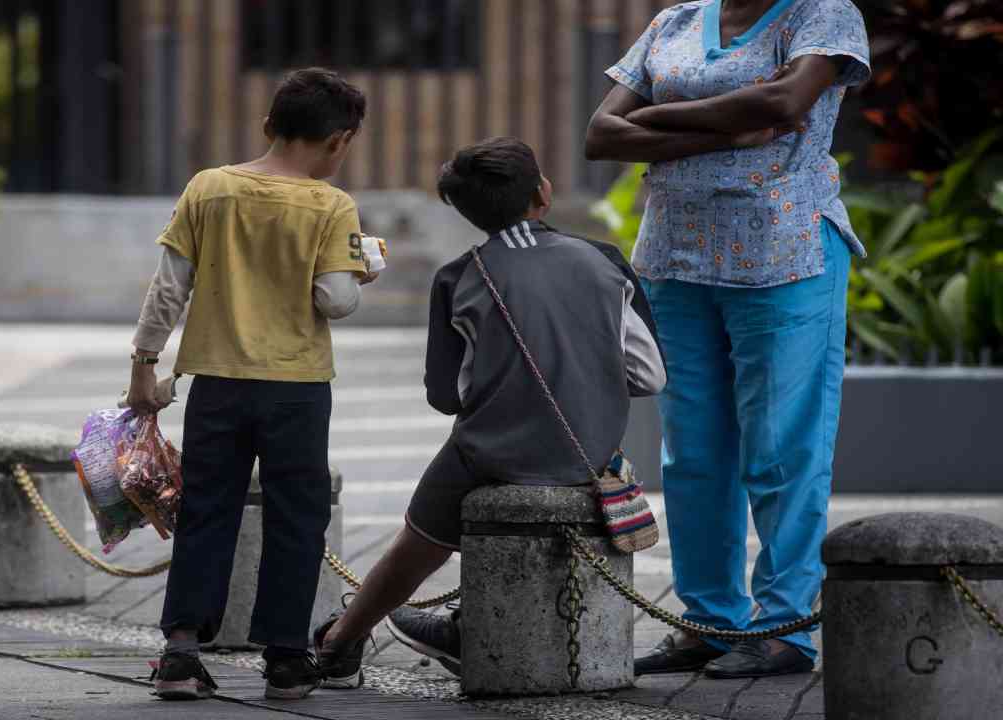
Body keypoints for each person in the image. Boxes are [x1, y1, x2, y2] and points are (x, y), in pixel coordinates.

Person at [312, 137, 667, 687]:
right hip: (590, 452)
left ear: (467, 211)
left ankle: (340, 642)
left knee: (416, 540)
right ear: (542, 193)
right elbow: (650, 376)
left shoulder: (459, 276)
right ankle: (460, 624)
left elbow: (446, 396)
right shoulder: (605, 261)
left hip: (489, 453)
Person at [585, 0, 870, 679]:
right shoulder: (674, 23)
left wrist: (654, 119)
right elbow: (600, 133)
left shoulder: (822, 15)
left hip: (785, 253)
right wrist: (732, 126)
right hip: (675, 259)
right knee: (693, 455)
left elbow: (789, 98)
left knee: (782, 450)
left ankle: (784, 629)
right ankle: (709, 622)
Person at [125, 67, 377, 701]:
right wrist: (364, 266)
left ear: (268, 125)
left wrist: (144, 365)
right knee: (298, 515)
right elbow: (335, 300)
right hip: (295, 386)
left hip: (215, 379)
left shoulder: (209, 189)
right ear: (341, 141)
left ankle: (181, 652)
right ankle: (287, 658)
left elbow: (168, 288)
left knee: (206, 509)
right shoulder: (331, 204)